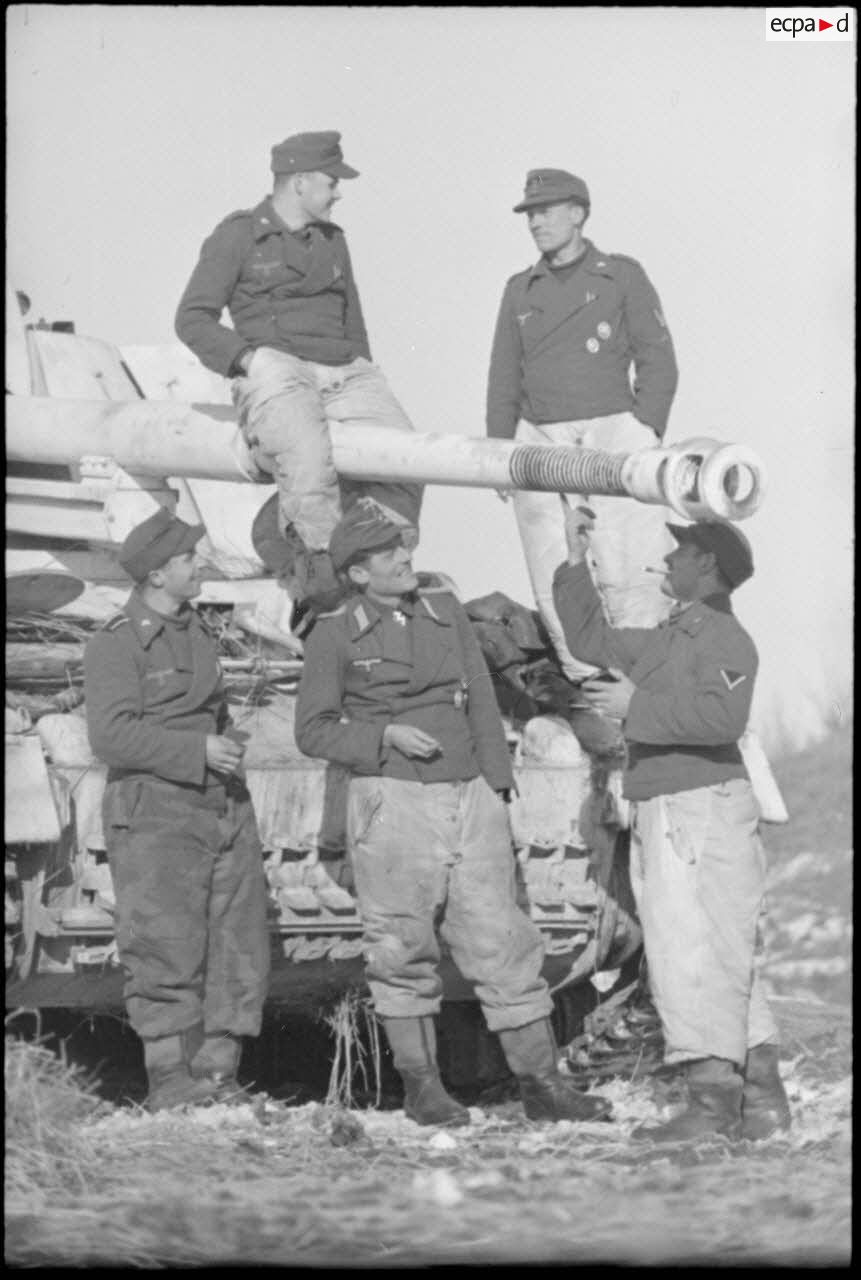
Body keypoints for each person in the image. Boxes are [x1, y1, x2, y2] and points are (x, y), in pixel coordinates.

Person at [294, 501, 612, 1127]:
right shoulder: (333, 634)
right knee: (401, 946)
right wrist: (383, 735)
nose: (403, 556)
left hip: (470, 796)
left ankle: (543, 1085)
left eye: (402, 545)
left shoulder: (444, 612)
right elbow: (313, 730)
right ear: (357, 573)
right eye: (386, 552)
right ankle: (424, 1089)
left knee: (504, 940)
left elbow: (481, 701)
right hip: (392, 800)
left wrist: (497, 784)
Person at [552, 508, 791, 1142]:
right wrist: (575, 560)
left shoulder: (725, 639)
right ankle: (761, 1100)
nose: (667, 559)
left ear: (707, 564)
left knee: (690, 951)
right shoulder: (674, 634)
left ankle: (712, 1107)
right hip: (677, 804)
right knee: (723, 952)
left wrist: (637, 705)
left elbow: (721, 721)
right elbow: (590, 641)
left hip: (698, 807)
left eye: (679, 552)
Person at [175, 130, 422, 620]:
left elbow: (353, 323)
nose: (338, 193)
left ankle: (376, 561)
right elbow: (192, 319)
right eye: (332, 182)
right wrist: (248, 359)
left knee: (407, 461)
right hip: (278, 369)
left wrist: (363, 371)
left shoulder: (332, 241)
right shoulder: (238, 236)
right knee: (307, 463)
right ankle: (333, 591)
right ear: (300, 182)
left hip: (344, 372)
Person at [84, 508, 271, 1111]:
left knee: (237, 943)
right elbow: (110, 737)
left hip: (221, 804)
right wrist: (197, 751)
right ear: (158, 575)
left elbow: (214, 712)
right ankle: (169, 1080)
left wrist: (226, 746)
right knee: (164, 946)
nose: (200, 565)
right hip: (156, 810)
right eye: (189, 558)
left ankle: (218, 1077)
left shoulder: (197, 630)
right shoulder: (116, 642)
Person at [486, 167, 679, 681]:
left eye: (546, 211)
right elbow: (504, 375)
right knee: (553, 564)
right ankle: (586, 683)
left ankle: (640, 678)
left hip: (612, 434)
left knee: (630, 560)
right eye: (530, 214)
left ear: (578, 213)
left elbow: (657, 358)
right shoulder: (520, 290)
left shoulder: (620, 275)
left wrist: (644, 431)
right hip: (542, 438)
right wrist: (499, 451)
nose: (536, 223)